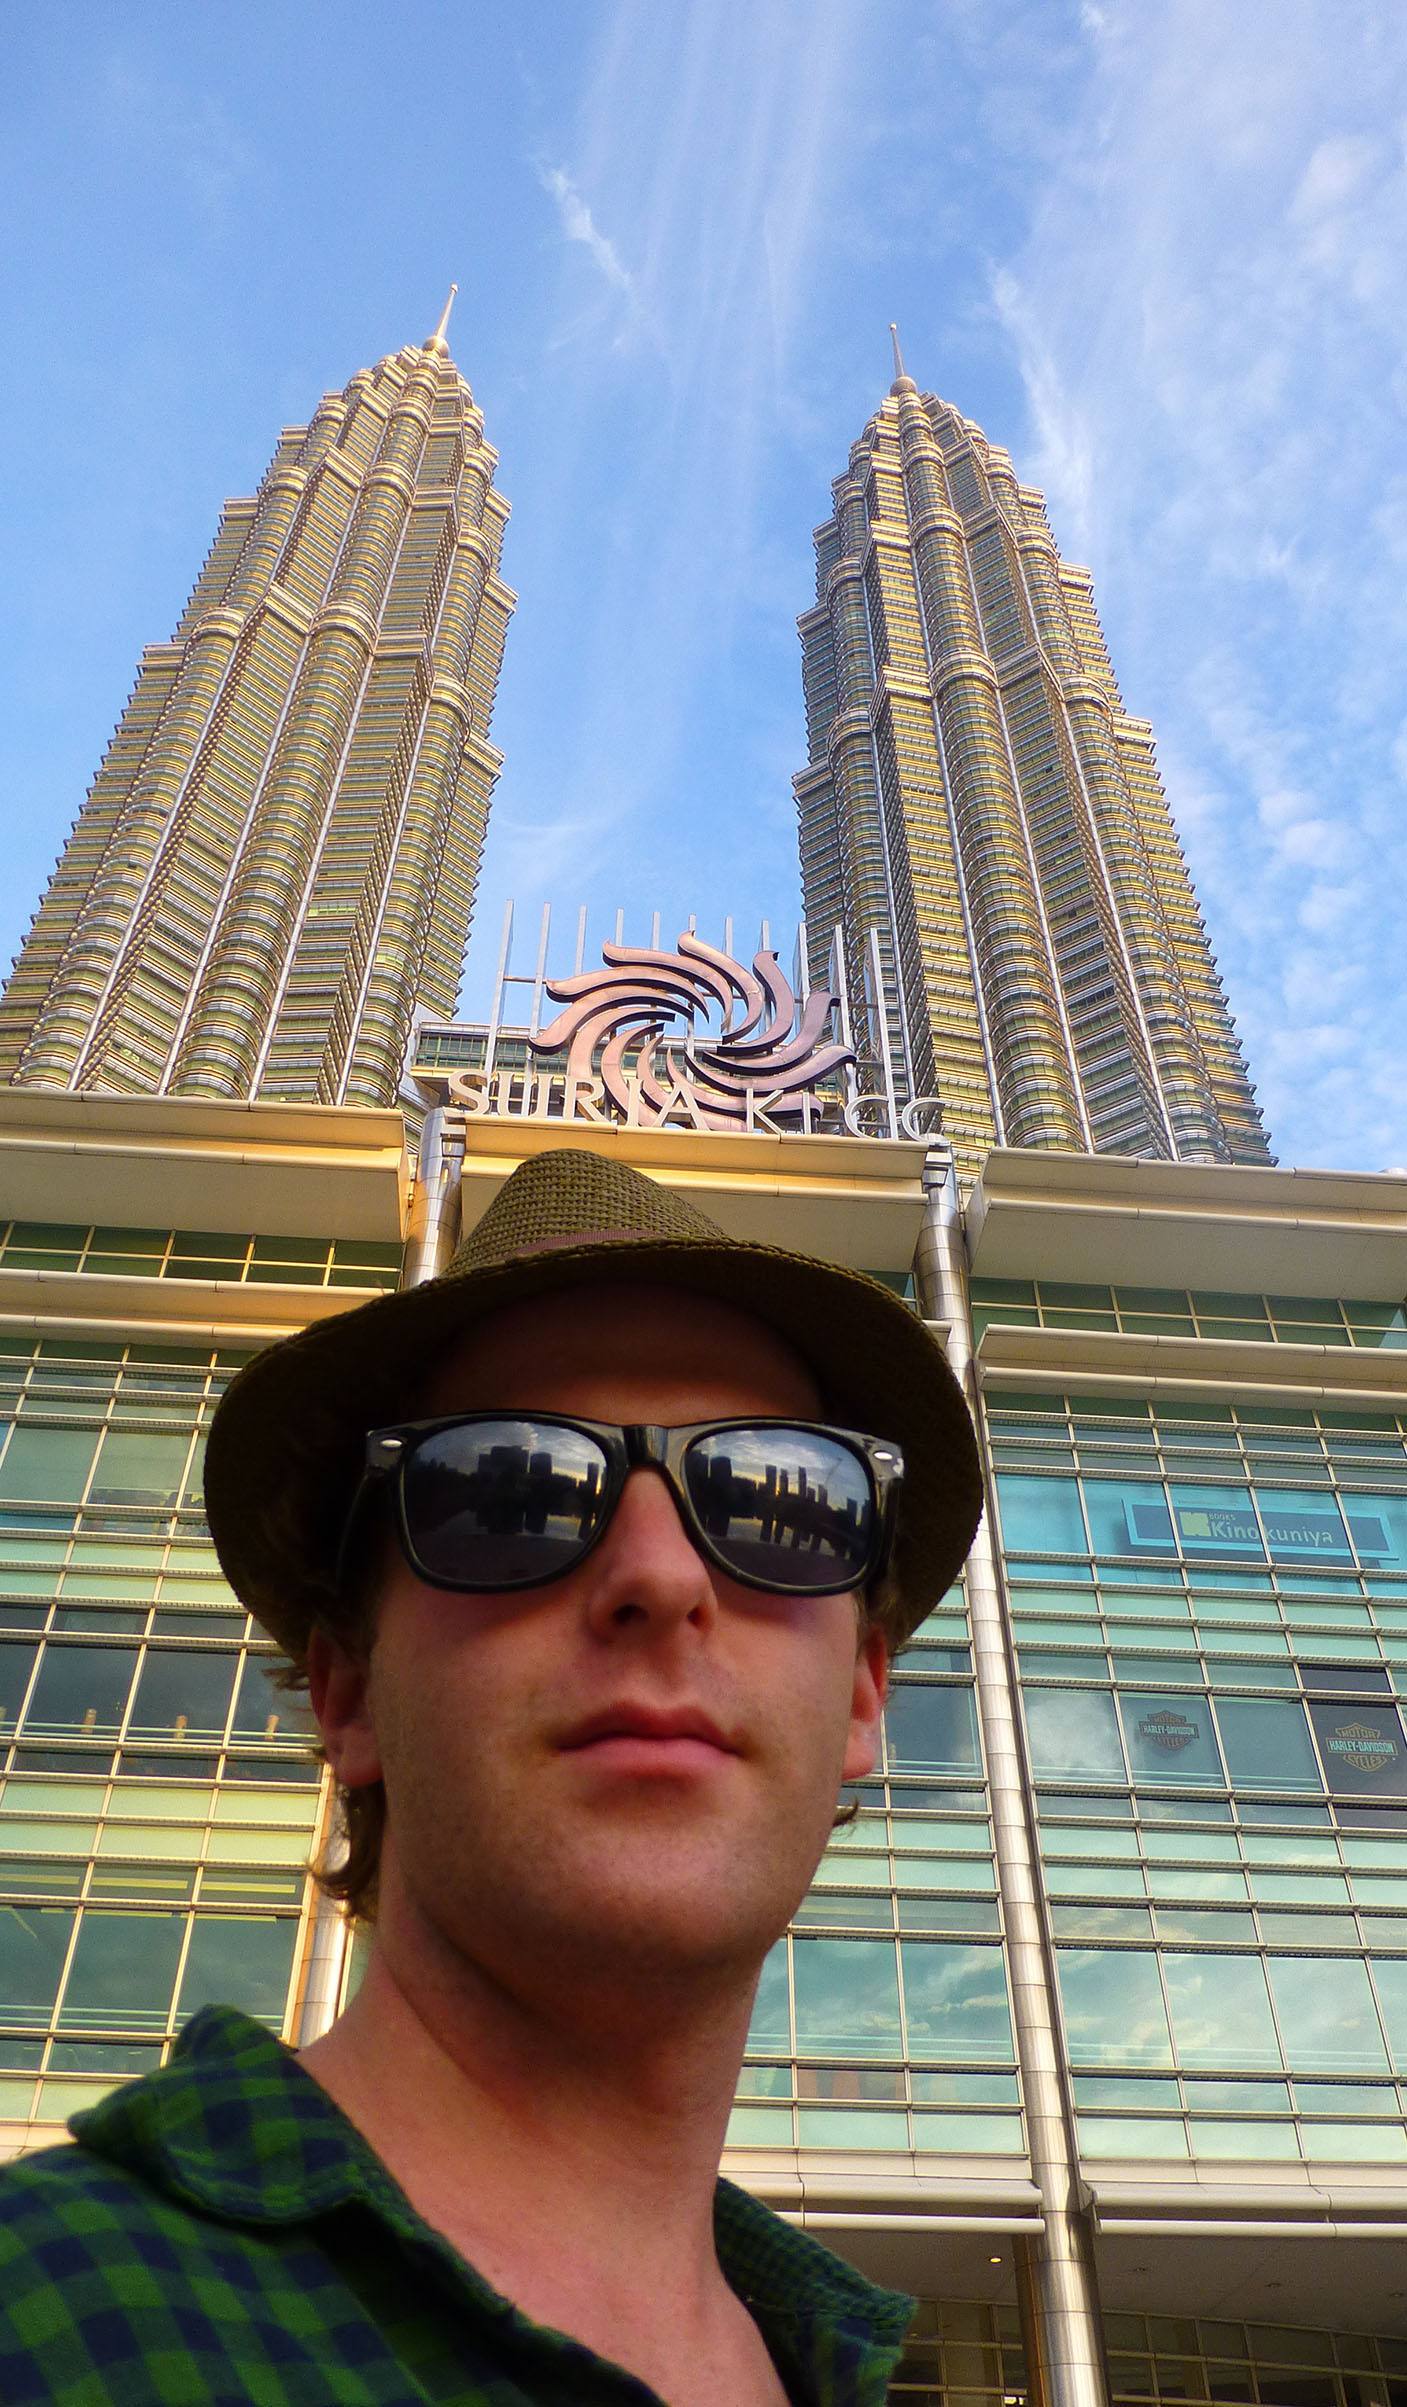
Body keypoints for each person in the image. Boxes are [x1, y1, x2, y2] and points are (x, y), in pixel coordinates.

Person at [0, 1147, 983, 2406]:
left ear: (861, 1697)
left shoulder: (823, 2363)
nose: (663, 1576)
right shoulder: (47, 2315)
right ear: (350, 1692)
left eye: (773, 1500)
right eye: (508, 1490)